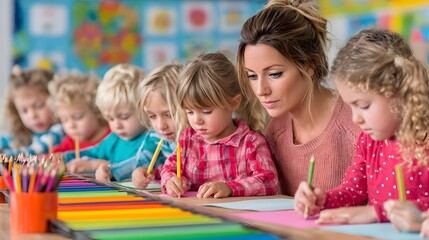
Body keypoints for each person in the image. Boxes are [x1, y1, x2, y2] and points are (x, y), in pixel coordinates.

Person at [294, 28, 429, 225]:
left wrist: (377, 213)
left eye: (363, 106)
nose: (356, 118)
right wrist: (323, 200)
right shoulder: (369, 141)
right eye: (350, 106)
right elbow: (353, 191)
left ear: (400, 93)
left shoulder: (424, 140)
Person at [236, 0, 360, 196]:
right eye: (252, 76)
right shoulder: (274, 132)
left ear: (310, 65)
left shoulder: (359, 124)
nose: (260, 90)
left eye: (274, 74)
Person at [161, 52, 278, 198]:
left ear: (233, 103)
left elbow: (269, 181)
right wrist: (171, 181)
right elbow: (168, 168)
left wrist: (230, 188)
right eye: (190, 112)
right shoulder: (188, 140)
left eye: (206, 111)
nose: (197, 120)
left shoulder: (251, 143)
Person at [65, 64, 154, 176]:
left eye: (124, 117)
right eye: (110, 118)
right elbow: (93, 152)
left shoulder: (152, 139)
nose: (117, 125)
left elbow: (136, 164)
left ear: (144, 108)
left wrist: (98, 166)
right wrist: (62, 158)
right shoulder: (114, 138)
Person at [130, 63, 183, 189]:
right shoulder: (154, 137)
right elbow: (141, 166)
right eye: (152, 116)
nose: (160, 126)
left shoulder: (201, 138)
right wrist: (139, 173)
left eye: (169, 114)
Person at [0, 66, 64, 156]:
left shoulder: (60, 131)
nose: (32, 115)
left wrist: (8, 155)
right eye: (24, 110)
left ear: (56, 100)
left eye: (39, 106)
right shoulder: (26, 133)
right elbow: (5, 140)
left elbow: (34, 150)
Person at [48, 72, 111, 156]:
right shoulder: (70, 142)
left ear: (96, 110)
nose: (71, 125)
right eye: (64, 120)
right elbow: (55, 157)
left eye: (78, 117)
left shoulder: (114, 135)